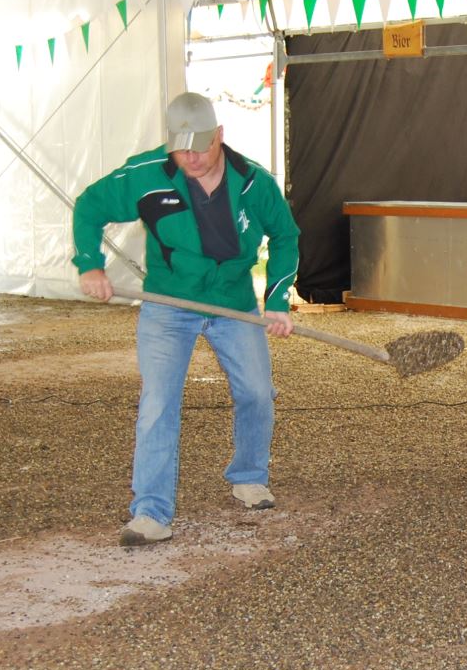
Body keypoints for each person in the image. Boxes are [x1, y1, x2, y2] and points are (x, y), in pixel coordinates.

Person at [72, 91, 300, 546]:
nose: (191, 159)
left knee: (257, 392)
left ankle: (249, 475)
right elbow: (90, 207)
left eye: (200, 147)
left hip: (233, 303)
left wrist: (276, 299)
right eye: (181, 149)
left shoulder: (254, 182)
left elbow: (285, 236)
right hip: (168, 304)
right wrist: (89, 264)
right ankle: (151, 512)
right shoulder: (146, 174)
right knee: (159, 402)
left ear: (220, 136)